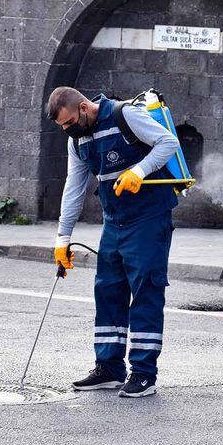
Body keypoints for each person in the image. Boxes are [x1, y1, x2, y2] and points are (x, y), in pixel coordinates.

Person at [47, 86, 180, 397]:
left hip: (149, 217)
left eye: (69, 122)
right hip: (114, 221)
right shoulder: (77, 141)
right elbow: (74, 189)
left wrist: (140, 170)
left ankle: (144, 374)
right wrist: (62, 239)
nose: (67, 130)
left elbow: (167, 142)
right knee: (107, 289)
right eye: (62, 127)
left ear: (82, 107)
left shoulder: (124, 115)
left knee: (146, 290)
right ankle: (109, 368)